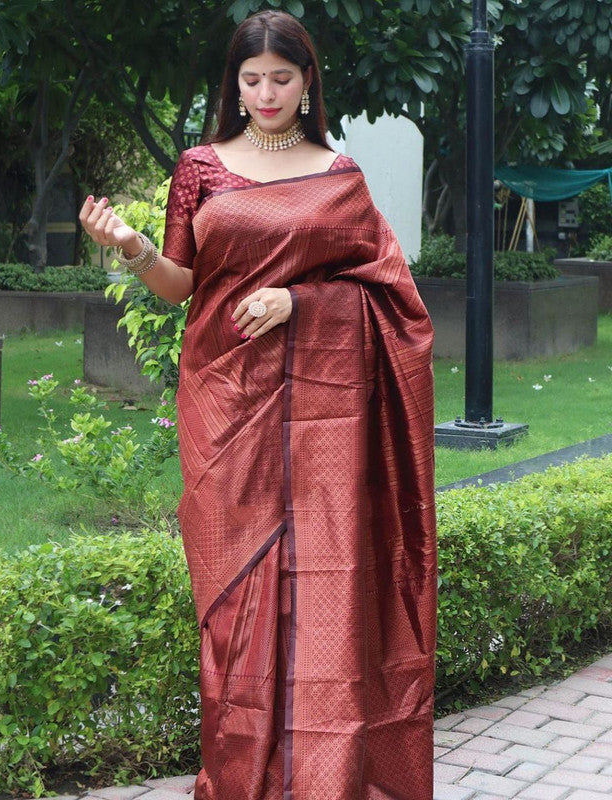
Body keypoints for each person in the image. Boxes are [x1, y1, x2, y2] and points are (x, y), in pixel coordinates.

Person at [79, 10, 437, 800]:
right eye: (252, 80)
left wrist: (300, 302)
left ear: (307, 82)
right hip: (224, 401)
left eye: (281, 78)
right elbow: (180, 285)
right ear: (233, 86)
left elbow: (393, 298)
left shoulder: (338, 175)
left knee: (327, 582)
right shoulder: (200, 168)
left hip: (324, 415)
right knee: (233, 600)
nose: (266, 93)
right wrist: (132, 247)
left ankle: (323, 780)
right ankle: (242, 778)